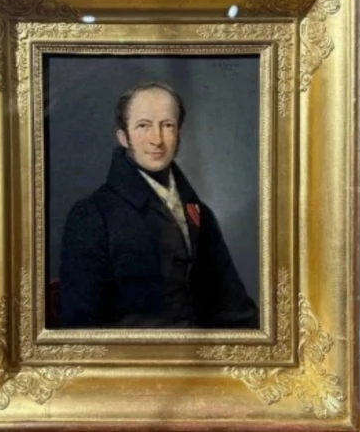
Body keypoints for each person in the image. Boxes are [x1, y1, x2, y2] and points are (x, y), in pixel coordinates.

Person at [58, 82, 259, 329]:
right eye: (143, 126)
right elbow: (80, 326)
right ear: (123, 137)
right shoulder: (91, 216)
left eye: (167, 125)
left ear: (178, 134)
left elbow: (234, 308)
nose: (157, 140)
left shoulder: (199, 213)